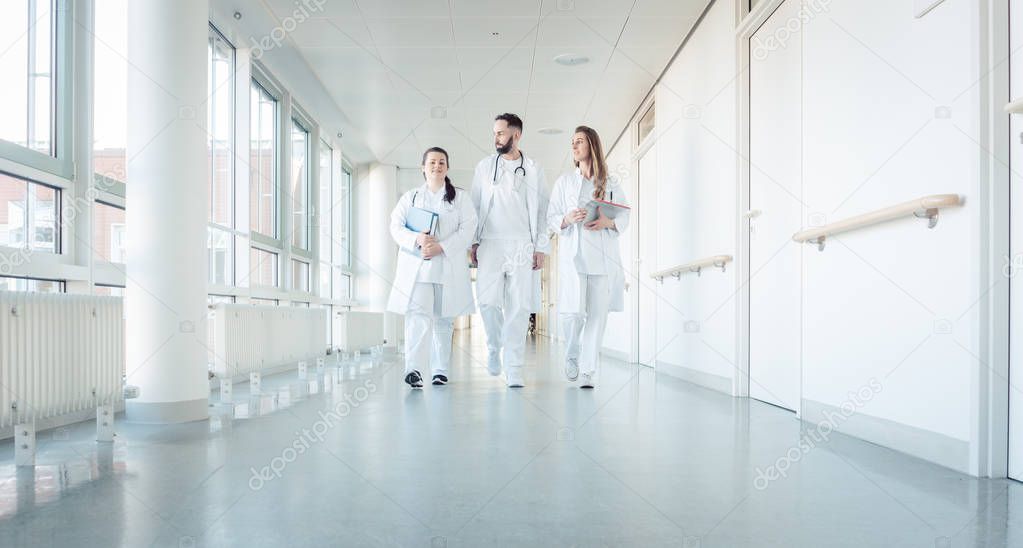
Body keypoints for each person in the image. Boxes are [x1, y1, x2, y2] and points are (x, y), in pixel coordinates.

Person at [470, 113, 550, 387]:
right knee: (487, 301)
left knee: (519, 306)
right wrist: (473, 241)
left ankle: (514, 367)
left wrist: (541, 247)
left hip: (521, 242)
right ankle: (494, 345)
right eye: (494, 133)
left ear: (516, 135)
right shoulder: (484, 167)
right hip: (490, 241)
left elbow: (542, 211)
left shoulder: (535, 168)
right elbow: (475, 206)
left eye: (501, 133)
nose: (496, 138)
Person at [546, 126, 630, 389]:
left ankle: (588, 370)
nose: (574, 146)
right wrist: (567, 219)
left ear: (592, 145)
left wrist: (608, 222)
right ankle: (572, 353)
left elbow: (625, 213)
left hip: (602, 259)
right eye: (572, 142)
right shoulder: (564, 183)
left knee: (597, 315)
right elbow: (550, 218)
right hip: (575, 256)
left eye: (579, 141)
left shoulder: (611, 183)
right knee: (572, 314)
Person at [388, 147, 477, 388]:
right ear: (423, 167)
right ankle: (414, 369)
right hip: (419, 269)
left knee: (443, 319)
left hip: (447, 266)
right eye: (432, 163)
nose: (436, 166)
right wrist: (416, 239)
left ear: (447, 167)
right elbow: (396, 226)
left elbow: (469, 229)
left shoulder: (460, 198)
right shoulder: (411, 197)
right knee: (417, 316)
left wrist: (442, 247)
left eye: (441, 162)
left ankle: (439, 370)